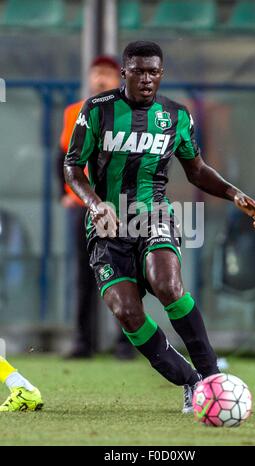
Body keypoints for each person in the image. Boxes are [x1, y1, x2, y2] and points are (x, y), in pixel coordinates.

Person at [64, 41, 255, 413]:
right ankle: (190, 382)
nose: (146, 79)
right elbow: (73, 167)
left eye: (153, 71)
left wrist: (233, 192)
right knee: (127, 312)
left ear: (161, 74)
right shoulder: (97, 111)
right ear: (124, 73)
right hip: (107, 226)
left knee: (168, 285)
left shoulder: (176, 116)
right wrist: (95, 204)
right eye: (138, 71)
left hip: (153, 215)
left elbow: (197, 169)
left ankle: (211, 378)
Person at [58, 55, 135, 359]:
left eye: (107, 74)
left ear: (119, 79)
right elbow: (63, 157)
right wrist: (63, 193)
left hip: (121, 207)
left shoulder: (129, 112)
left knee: (126, 272)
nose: (101, 79)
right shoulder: (75, 112)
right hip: (85, 206)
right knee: (84, 274)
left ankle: (126, 342)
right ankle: (83, 342)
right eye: (97, 73)